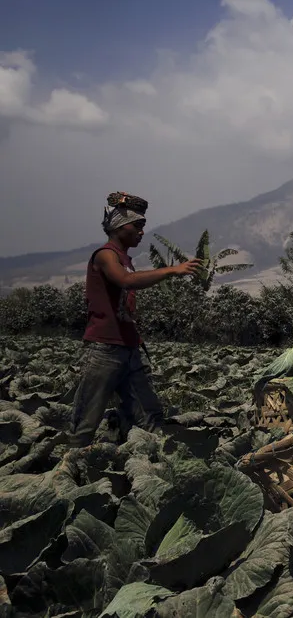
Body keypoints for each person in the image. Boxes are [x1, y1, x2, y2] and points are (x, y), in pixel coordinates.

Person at [67, 191, 202, 448]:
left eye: (143, 226)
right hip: (104, 348)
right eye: (137, 225)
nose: (141, 232)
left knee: (149, 416)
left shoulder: (125, 258)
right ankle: (70, 464)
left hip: (129, 348)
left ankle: (155, 460)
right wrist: (172, 270)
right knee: (85, 421)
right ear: (119, 226)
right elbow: (126, 281)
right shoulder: (105, 255)